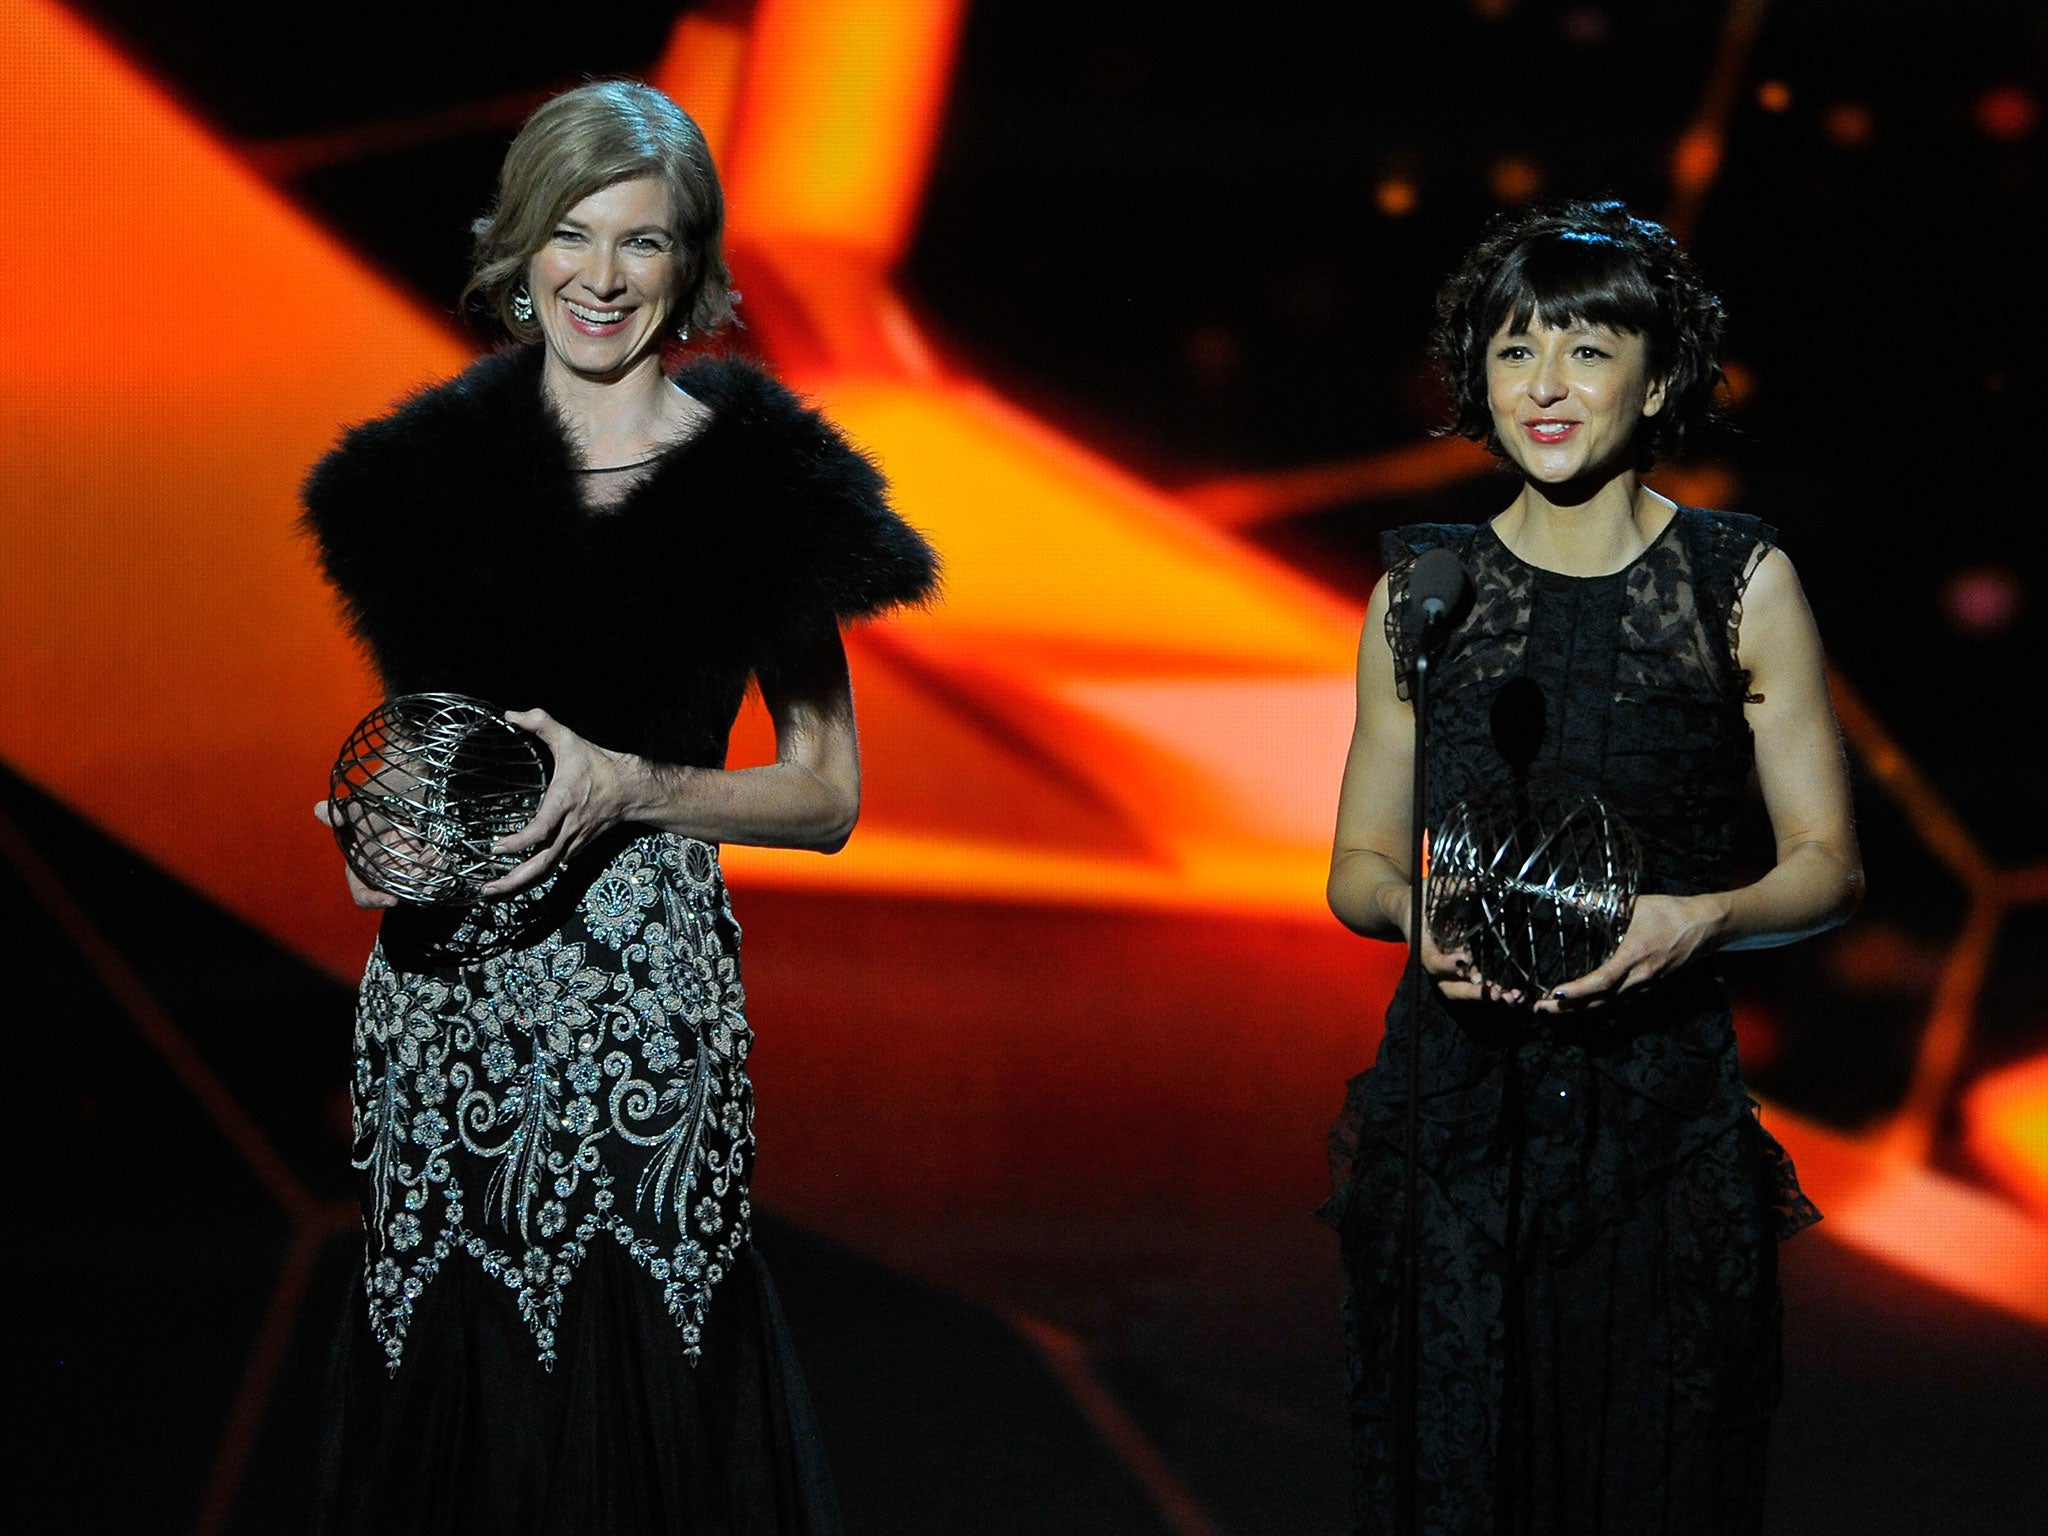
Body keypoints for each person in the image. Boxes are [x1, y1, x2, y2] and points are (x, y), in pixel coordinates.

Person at [300, 80, 938, 1534]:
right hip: (443, 1026)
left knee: (643, 1394)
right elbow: (432, 749)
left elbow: (828, 790)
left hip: (644, 1029)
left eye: (640, 244)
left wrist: (636, 790)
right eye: (571, 236)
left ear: (689, 265)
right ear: (519, 252)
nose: (601, 277)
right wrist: (383, 836)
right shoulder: (420, 483)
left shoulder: (759, 485)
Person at [1320, 200, 1861, 1534]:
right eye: (1513, 352)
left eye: (1584, 349)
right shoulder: (1422, 589)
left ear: (1660, 375)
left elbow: (1829, 868)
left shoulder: (1739, 581)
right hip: (1456, 1124)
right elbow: (1357, 864)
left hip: (1656, 1128)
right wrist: (1415, 913)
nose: (1544, 387)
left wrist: (1701, 919)